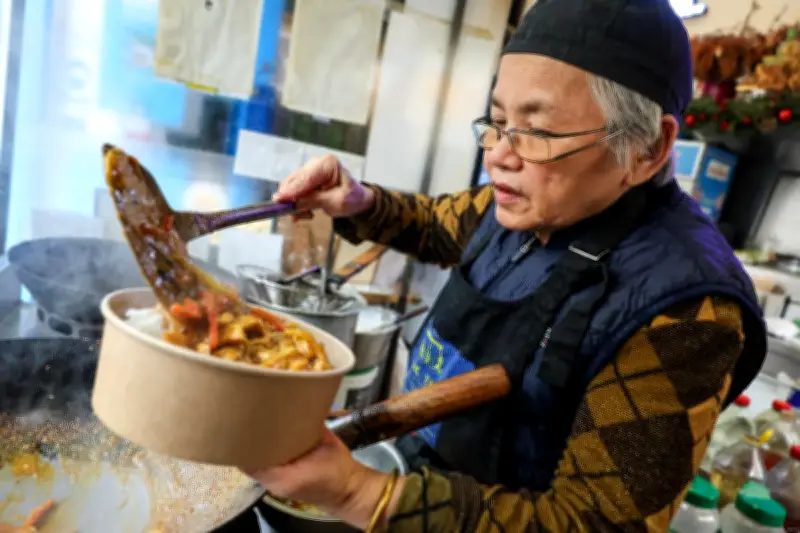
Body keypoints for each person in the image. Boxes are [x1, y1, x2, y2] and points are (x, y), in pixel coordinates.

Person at [249, 0, 768, 531]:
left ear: (647, 148)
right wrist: (360, 201)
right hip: (416, 477)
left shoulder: (687, 312)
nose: (498, 153)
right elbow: (434, 224)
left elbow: (600, 524)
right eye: (497, 121)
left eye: (537, 131)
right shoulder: (521, 204)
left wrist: (359, 493)